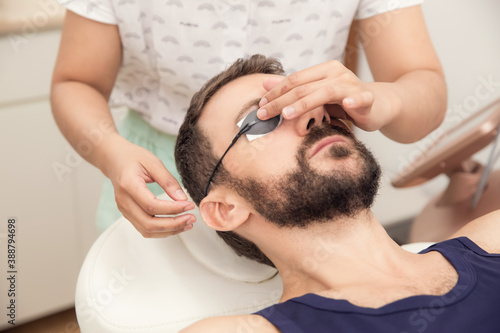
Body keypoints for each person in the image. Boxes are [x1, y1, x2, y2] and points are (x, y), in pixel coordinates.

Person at [51, 0, 446, 237]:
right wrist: (110, 152)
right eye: (257, 121)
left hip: (310, 187)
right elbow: (75, 81)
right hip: (158, 178)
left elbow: (423, 88)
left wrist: (381, 99)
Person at [175, 55, 500, 332]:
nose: (312, 114)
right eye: (261, 121)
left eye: (313, 101)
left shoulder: (491, 240)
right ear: (225, 209)